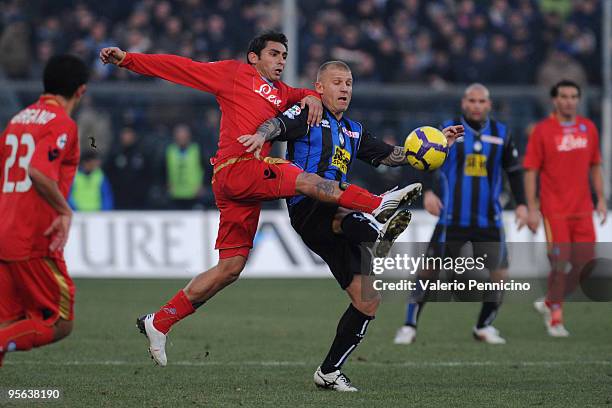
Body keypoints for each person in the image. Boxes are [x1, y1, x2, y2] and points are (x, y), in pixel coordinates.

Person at [100, 31, 421, 367]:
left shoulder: (285, 93)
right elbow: (179, 67)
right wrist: (127, 59)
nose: (281, 61)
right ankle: (376, 205)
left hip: (243, 188)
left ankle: (160, 321)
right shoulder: (233, 74)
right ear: (253, 57)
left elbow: (311, 95)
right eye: (274, 54)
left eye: (284, 55)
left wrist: (311, 96)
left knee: (230, 268)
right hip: (239, 166)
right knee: (308, 180)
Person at [239, 60, 464, 391]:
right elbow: (276, 124)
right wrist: (260, 136)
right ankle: (378, 224)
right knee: (344, 208)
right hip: (310, 205)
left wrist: (437, 144)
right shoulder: (308, 113)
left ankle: (329, 371)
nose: (345, 88)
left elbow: (393, 155)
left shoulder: (355, 131)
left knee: (367, 300)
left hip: (337, 219)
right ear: (319, 87)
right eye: (337, 82)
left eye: (349, 83)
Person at [393, 83, 528, 345]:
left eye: (481, 101)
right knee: (429, 270)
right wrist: (429, 192)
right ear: (463, 103)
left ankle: (483, 326)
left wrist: (522, 203)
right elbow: (426, 160)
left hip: (489, 218)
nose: (476, 105)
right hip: (451, 217)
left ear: (488, 105)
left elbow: (514, 171)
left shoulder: (501, 134)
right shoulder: (448, 130)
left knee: (499, 273)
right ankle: (409, 325)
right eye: (471, 101)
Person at [0, 55, 88, 366]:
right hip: (33, 237)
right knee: (59, 322)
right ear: (81, 91)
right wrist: (65, 211)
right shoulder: (61, 123)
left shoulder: (18, 120)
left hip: (5, 232)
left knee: (10, 322)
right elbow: (38, 171)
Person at [524, 79, 606, 337]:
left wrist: (601, 198)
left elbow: (595, 165)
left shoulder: (588, 128)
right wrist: (532, 207)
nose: (569, 101)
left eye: (573, 96)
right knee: (559, 262)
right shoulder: (542, 131)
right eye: (564, 96)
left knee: (585, 267)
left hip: (582, 209)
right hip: (554, 210)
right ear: (554, 100)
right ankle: (555, 318)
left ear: (578, 100)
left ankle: (549, 301)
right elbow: (530, 171)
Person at [165, 124, 204, 210]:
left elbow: (205, 168)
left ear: (189, 136)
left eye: (184, 135)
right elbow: (164, 169)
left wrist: (202, 185)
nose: (182, 138)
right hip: (175, 194)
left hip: (194, 194)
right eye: (179, 135)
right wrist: (166, 184)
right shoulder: (170, 150)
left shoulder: (197, 149)